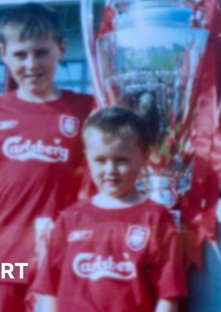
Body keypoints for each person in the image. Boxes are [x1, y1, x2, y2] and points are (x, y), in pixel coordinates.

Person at [32, 106, 187, 312]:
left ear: (144, 156)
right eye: (100, 160)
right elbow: (49, 288)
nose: (110, 170)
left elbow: (168, 294)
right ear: (87, 158)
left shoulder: (156, 218)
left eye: (121, 160)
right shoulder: (69, 219)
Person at [0, 2, 93, 311]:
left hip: (61, 260)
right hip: (6, 264)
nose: (31, 64)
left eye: (41, 53)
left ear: (61, 49)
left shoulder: (86, 109)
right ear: (3, 54)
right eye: (20, 54)